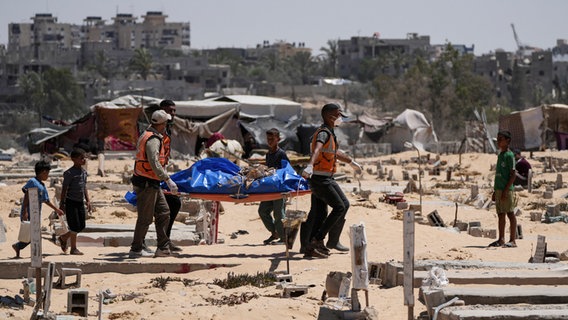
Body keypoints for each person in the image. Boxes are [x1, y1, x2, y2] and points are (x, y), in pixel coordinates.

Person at [300, 103, 362, 258]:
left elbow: (334, 152)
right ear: (330, 116)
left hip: (324, 177)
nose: (340, 118)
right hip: (321, 179)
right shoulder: (323, 133)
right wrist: (309, 166)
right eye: (339, 115)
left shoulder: (330, 133)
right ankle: (318, 240)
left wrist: (351, 162)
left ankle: (310, 247)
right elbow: (317, 150)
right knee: (341, 206)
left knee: (320, 214)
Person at [129, 110, 179, 258]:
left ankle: (162, 247)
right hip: (146, 183)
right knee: (145, 218)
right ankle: (136, 248)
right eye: (165, 123)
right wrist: (167, 179)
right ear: (162, 124)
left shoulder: (147, 134)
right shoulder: (153, 139)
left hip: (151, 182)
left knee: (164, 212)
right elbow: (153, 161)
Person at [12, 160, 65, 258]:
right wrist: (25, 212)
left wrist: (56, 209)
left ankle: (19, 247)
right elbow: (27, 195)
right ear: (43, 172)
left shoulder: (42, 185)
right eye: (47, 173)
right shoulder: (33, 182)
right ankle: (20, 247)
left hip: (36, 213)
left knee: (33, 234)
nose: (48, 176)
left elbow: (46, 200)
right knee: (33, 234)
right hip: (29, 212)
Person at [258, 128, 290, 245]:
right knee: (262, 211)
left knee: (279, 213)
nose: (270, 141)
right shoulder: (268, 154)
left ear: (278, 139)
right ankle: (274, 232)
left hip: (279, 188)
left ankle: (283, 238)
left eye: (272, 139)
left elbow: (287, 170)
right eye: (268, 139)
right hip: (270, 188)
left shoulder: (281, 154)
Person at [58, 148, 91, 255]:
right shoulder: (69, 173)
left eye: (84, 157)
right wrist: (62, 203)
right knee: (74, 225)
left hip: (80, 202)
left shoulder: (84, 172)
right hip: (71, 202)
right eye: (81, 158)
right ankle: (73, 248)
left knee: (81, 225)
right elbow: (64, 189)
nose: (84, 160)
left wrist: (88, 200)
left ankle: (64, 238)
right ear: (74, 159)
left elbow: (84, 187)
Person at [159, 100, 182, 251]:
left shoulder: (167, 129)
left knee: (174, 204)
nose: (173, 114)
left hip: (160, 174)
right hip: (151, 176)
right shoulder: (156, 130)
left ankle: (165, 240)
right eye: (169, 111)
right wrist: (166, 179)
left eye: (174, 111)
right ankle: (138, 245)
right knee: (151, 214)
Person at [488, 130, 518, 248]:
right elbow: (499, 174)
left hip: (507, 189)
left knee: (510, 213)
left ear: (508, 141)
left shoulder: (509, 155)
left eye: (501, 139)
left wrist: (506, 190)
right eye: (498, 139)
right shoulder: (500, 155)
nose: (498, 142)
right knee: (501, 214)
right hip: (499, 189)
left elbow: (513, 174)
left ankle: (513, 240)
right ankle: (501, 239)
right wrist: (496, 191)